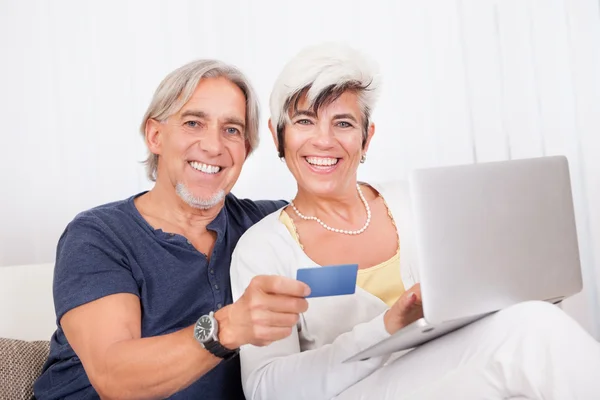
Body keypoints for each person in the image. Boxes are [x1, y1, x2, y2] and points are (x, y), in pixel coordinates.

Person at [229, 43, 600, 400]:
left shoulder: (414, 204)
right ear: (280, 136)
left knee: (531, 323)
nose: (323, 141)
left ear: (366, 138)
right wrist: (387, 327)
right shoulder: (263, 249)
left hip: (448, 373)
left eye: (342, 123)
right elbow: (265, 389)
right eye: (305, 121)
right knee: (530, 331)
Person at [34, 59, 312, 399]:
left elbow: (349, 243)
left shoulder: (267, 225)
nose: (213, 146)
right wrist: (227, 328)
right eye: (193, 123)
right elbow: (114, 377)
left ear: (246, 150)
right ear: (155, 136)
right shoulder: (98, 236)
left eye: (232, 130)